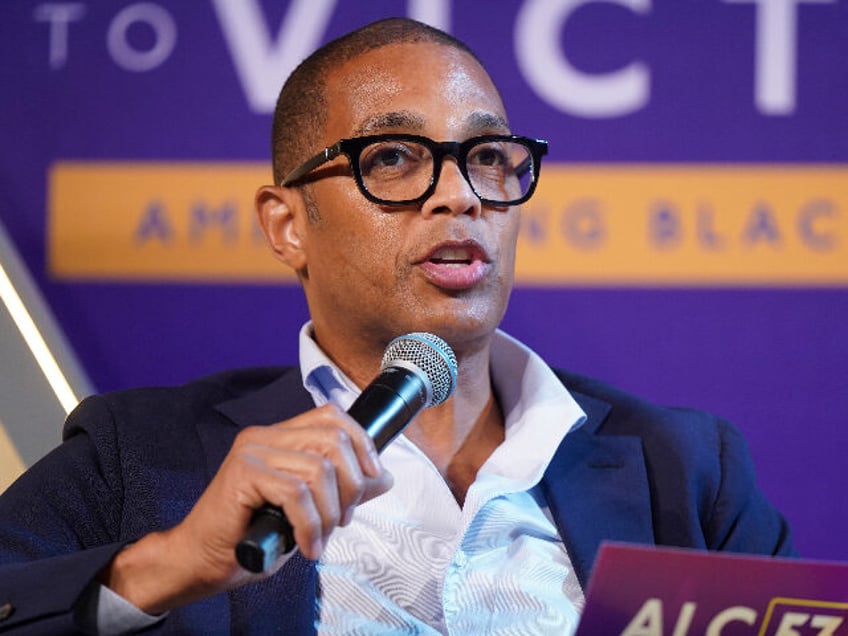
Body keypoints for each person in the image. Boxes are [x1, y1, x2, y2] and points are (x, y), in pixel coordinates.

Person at [0, 17, 793, 635]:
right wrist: (169, 566)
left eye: (487, 156)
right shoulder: (140, 457)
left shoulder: (684, 470)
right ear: (287, 226)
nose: (462, 197)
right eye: (392, 158)